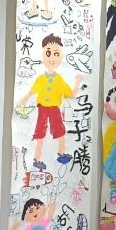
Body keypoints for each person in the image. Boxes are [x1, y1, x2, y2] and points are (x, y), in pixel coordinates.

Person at [18, 34, 82, 170]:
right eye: (48, 53)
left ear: (61, 56)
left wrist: (77, 82)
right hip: (42, 109)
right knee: (39, 133)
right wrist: (24, 99)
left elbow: (71, 94)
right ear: (43, 54)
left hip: (54, 109)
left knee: (60, 131)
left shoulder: (59, 79)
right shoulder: (41, 78)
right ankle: (36, 159)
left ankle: (61, 154)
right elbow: (32, 91)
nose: (52, 58)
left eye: (56, 54)